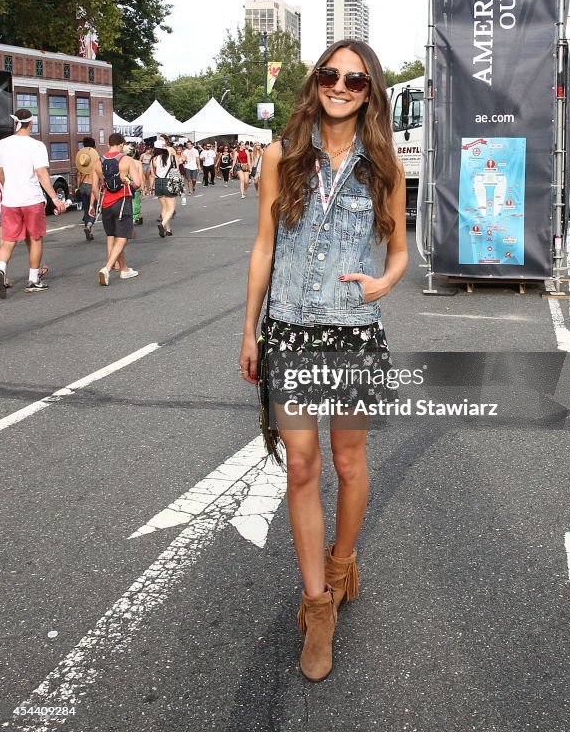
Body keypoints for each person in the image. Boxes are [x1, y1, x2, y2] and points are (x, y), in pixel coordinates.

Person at [238, 39, 407, 681]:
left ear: (370, 92)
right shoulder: (280, 156)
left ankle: (342, 562)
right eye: (330, 75)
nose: (340, 86)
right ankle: (317, 606)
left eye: (355, 80)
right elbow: (262, 248)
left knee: (348, 459)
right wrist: (249, 331)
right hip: (290, 331)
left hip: (355, 332)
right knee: (303, 465)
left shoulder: (383, 166)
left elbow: (398, 251)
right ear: (316, 82)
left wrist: (384, 284)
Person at [0, 108, 67, 296]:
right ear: (31, 123)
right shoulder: (36, 146)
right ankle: (33, 280)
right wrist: (55, 198)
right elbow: (42, 174)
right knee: (35, 239)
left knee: (7, 240)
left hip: (10, 201)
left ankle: (0, 269)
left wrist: (10, 188)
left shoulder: (2, 144)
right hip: (32, 200)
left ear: (16, 123)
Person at [89, 132, 142, 285]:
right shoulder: (127, 160)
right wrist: (128, 183)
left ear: (108, 144)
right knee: (122, 237)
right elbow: (137, 183)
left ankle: (124, 269)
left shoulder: (98, 162)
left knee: (114, 235)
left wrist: (99, 201)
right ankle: (106, 268)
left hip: (106, 203)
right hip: (122, 201)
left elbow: (94, 188)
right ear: (121, 145)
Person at [152, 140, 179, 237]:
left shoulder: (154, 159)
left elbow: (152, 174)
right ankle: (162, 225)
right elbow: (176, 171)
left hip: (158, 182)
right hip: (169, 181)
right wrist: (178, 186)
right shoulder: (172, 157)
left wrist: (151, 187)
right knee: (171, 208)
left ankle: (167, 230)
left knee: (164, 207)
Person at [75, 137, 100, 241]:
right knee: (94, 208)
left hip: (82, 186)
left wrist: (78, 187)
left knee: (86, 210)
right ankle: (89, 226)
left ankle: (88, 231)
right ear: (94, 145)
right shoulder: (95, 158)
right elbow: (99, 173)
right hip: (92, 186)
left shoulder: (82, 158)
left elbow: (78, 175)